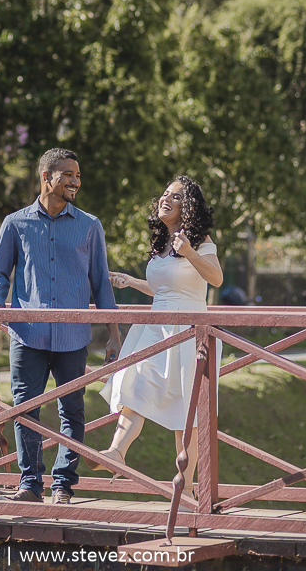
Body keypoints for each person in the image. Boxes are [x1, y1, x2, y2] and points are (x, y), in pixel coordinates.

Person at [0, 148, 121, 505]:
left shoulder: (90, 225)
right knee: (24, 408)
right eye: (68, 175)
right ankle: (30, 484)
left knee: (72, 410)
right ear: (47, 177)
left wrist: (114, 333)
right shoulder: (15, 223)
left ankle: (63, 484)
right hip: (27, 334)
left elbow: (101, 284)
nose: (76, 181)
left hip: (73, 336)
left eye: (78, 175)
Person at [87, 175, 223, 506]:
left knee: (184, 412)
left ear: (187, 208)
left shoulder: (200, 241)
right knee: (134, 384)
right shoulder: (161, 243)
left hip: (190, 332)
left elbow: (215, 279)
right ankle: (117, 453)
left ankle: (187, 488)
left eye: (175, 197)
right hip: (155, 327)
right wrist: (132, 281)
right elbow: (165, 288)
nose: (165, 199)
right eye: (164, 194)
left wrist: (189, 251)